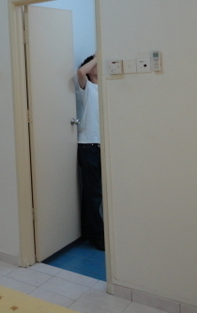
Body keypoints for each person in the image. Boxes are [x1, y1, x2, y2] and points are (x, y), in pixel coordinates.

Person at [76, 53, 104, 251]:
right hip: (88, 145)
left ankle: (90, 231)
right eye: (95, 65)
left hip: (104, 145)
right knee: (93, 193)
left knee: (98, 192)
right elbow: (80, 72)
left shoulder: (106, 88)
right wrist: (98, 55)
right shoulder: (87, 88)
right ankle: (97, 235)